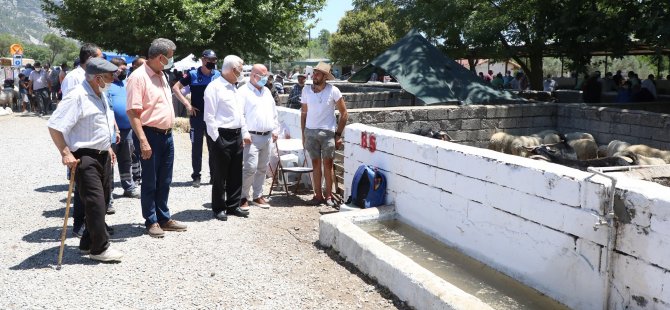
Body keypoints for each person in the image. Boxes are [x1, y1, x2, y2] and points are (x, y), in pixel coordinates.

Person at [47, 57, 123, 262]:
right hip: (85, 156)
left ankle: (88, 242)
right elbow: (54, 126)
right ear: (98, 78)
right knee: (95, 203)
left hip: (103, 155)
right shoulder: (77, 96)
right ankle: (100, 248)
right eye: (109, 76)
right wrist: (65, 153)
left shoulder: (100, 94)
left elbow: (99, 125)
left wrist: (107, 146)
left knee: (104, 199)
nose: (113, 79)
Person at [126, 38, 187, 237]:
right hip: (149, 134)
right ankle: (151, 220)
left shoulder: (162, 75)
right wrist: (142, 140)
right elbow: (134, 113)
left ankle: (163, 217)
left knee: (165, 179)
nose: (171, 60)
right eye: (169, 57)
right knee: (150, 180)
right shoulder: (139, 77)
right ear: (160, 57)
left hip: (167, 135)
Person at [60, 43, 105, 237]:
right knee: (83, 191)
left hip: (98, 145)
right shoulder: (74, 78)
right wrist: (66, 151)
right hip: (81, 146)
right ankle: (81, 225)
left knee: (96, 193)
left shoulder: (96, 78)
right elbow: (66, 115)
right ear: (90, 59)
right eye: (100, 58)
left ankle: (94, 227)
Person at [203, 55, 250, 221]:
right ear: (232, 69)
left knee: (235, 173)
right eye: (240, 68)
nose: (242, 71)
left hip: (236, 134)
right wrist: (217, 139)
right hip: (221, 134)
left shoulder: (235, 87)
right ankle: (218, 207)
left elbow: (240, 114)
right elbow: (209, 117)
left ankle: (233, 205)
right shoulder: (214, 87)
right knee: (220, 174)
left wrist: (244, 133)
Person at [300, 62, 349, 206]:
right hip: (310, 132)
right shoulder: (306, 90)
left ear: (325, 77)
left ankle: (329, 196)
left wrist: (338, 135)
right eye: (314, 72)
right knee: (315, 164)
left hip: (328, 132)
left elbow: (344, 113)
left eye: (318, 73)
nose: (314, 75)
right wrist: (303, 134)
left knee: (328, 165)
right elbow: (304, 113)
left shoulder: (334, 91)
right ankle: (318, 195)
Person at [172, 49, 221, 188]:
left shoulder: (217, 75)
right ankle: (196, 176)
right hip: (197, 117)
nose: (211, 62)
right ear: (203, 60)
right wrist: (187, 104)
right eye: (209, 60)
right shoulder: (193, 74)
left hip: (213, 118)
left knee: (214, 148)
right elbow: (176, 88)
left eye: (214, 60)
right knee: (196, 147)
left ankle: (214, 175)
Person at [239, 64, 279, 210]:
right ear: (253, 75)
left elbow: (274, 112)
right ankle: (243, 196)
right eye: (262, 76)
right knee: (250, 167)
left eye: (266, 76)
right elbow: (240, 115)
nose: (264, 79)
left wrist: (275, 129)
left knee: (262, 168)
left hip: (267, 136)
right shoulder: (243, 92)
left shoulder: (267, 91)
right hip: (252, 136)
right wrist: (244, 133)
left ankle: (257, 195)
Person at [108, 57, 140, 199]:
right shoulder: (107, 85)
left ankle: (128, 186)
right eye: (122, 69)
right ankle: (108, 191)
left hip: (128, 130)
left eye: (126, 69)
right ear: (113, 70)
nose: (125, 71)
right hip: (112, 131)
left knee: (126, 159)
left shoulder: (126, 83)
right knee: (109, 162)